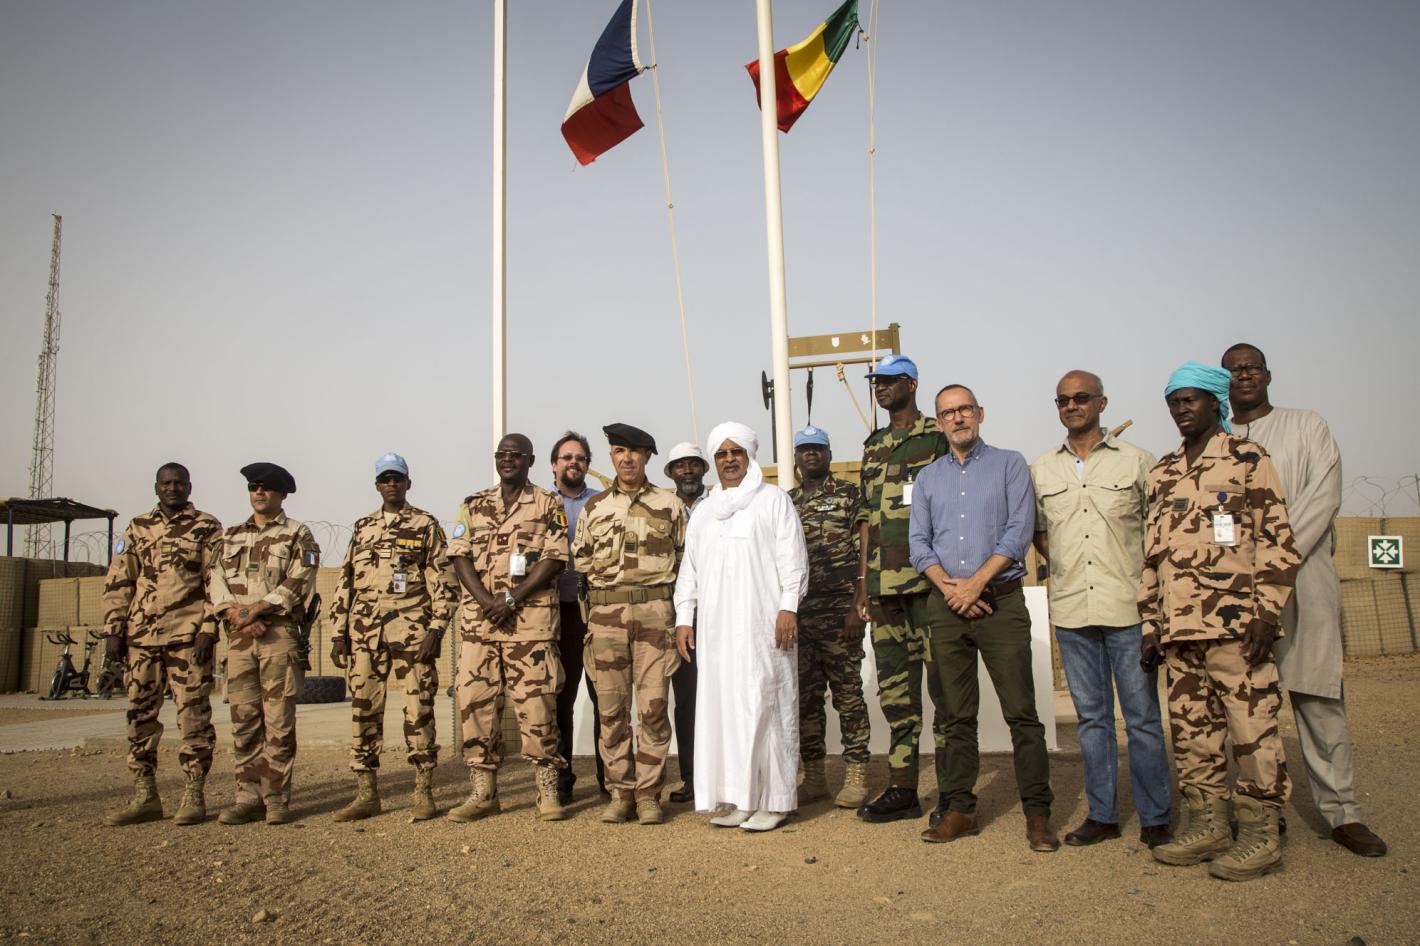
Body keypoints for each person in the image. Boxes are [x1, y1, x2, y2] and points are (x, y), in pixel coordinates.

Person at [1224, 342, 1386, 857]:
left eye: (1251, 367)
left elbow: (1324, 497)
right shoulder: (1218, 440)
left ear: (1267, 375)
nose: (1243, 375)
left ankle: (1343, 813)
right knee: (1250, 706)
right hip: (1239, 589)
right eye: (1233, 370)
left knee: (1317, 696)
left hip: (1304, 577)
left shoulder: (1306, 426)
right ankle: (1263, 809)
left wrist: (1275, 556)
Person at [1142, 361, 1300, 881]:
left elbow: (1277, 541)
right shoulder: (1163, 472)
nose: (1180, 409)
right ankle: (1208, 826)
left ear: (1215, 402)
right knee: (1193, 734)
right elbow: (1152, 557)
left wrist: (1267, 611)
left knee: (1252, 732)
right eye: (1173, 401)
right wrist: (1150, 624)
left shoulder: (1247, 459)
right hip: (1180, 632)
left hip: (1237, 628)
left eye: (1190, 399)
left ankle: (1260, 834)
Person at [910, 384, 1058, 851]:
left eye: (965, 410)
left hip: (1002, 603)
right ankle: (960, 809)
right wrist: (953, 589)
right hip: (947, 607)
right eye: (948, 413)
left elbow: (1018, 531)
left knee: (1022, 714)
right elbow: (919, 544)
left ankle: (1038, 814)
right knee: (955, 716)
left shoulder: (1010, 465)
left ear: (980, 413)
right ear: (939, 423)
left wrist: (976, 583)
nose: (958, 418)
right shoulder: (928, 479)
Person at [1030, 372, 1173, 848]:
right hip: (1073, 611)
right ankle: (1103, 815)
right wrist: (1070, 568)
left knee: (1142, 718)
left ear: (1101, 403)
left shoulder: (1138, 462)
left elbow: (1157, 535)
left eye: (1081, 398)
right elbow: (1041, 533)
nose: (1072, 406)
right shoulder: (1042, 469)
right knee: (1092, 719)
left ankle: (1155, 816)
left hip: (1127, 609)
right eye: (1063, 400)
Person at [674, 422, 808, 832]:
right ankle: (741, 798)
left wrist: (788, 608)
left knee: (768, 706)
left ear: (750, 455)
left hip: (764, 627)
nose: (729, 459)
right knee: (726, 711)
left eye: (736, 452)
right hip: (717, 633)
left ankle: (775, 800)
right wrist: (684, 617)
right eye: (722, 453)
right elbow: (689, 571)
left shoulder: (773, 500)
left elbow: (793, 560)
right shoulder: (705, 511)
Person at [445, 433, 570, 823]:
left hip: (530, 625)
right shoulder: (473, 504)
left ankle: (547, 791)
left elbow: (555, 558)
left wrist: (512, 599)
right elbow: (459, 555)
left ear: (530, 460)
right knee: (476, 704)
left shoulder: (549, 503)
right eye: (502, 454)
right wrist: (487, 601)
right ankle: (484, 793)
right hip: (479, 625)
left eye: (516, 454)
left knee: (537, 706)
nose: (508, 459)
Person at [328, 452, 456, 822]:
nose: (392, 484)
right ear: (377, 485)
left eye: (397, 478)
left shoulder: (425, 525)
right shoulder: (363, 527)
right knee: (363, 711)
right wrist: (338, 633)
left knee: (419, 710)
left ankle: (423, 790)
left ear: (408, 483)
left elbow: (443, 582)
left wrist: (436, 629)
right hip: (365, 632)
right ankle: (366, 792)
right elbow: (346, 582)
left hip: (412, 632)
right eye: (386, 479)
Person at [852, 354, 950, 824]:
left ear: (912, 384)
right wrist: (862, 585)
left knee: (946, 693)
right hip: (883, 590)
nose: (881, 388)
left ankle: (953, 792)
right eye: (876, 382)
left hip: (931, 587)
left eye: (890, 381)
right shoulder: (873, 447)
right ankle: (903, 788)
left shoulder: (938, 437)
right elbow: (865, 519)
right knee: (896, 696)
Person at [573, 423, 687, 826]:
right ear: (611, 456)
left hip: (656, 615)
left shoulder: (670, 505)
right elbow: (581, 560)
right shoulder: (595, 508)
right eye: (620, 451)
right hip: (606, 618)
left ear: (647, 457)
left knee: (654, 709)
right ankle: (621, 793)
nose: (627, 458)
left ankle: (649, 795)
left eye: (635, 452)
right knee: (612, 711)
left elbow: (685, 560)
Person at [101, 462, 223, 826]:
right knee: (140, 715)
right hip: (141, 638)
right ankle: (145, 794)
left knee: (193, 716)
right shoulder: (138, 527)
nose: (173, 488)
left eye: (179, 483)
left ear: (189, 487)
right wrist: (113, 630)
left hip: (187, 638)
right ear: (156, 487)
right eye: (166, 483)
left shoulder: (206, 527)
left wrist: (208, 628)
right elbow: (120, 580)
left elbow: (216, 581)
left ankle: (194, 793)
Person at [207, 462, 321, 826]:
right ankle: (247, 797)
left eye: (266, 487)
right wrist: (237, 614)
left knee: (278, 723)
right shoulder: (229, 536)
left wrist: (257, 610)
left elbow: (300, 579)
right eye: (253, 487)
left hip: (279, 637)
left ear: (282, 494)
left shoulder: (297, 534)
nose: (258, 492)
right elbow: (215, 581)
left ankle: (275, 798)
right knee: (244, 721)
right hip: (240, 640)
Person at [787, 425, 871, 808]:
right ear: (796, 457)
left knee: (848, 696)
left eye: (818, 449)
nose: (811, 454)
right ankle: (815, 776)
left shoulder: (849, 495)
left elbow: (865, 548)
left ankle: (857, 773)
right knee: (806, 701)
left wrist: (858, 602)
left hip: (840, 613)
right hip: (801, 615)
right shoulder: (786, 502)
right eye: (805, 449)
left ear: (829, 455)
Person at [550, 431, 606, 804]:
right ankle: (562, 778)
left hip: (598, 611)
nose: (574, 462)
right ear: (554, 464)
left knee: (606, 698)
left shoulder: (602, 503)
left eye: (581, 458)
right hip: (559, 613)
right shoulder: (540, 503)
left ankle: (610, 778)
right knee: (561, 699)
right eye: (567, 457)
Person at [663, 440, 708, 805]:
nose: (688, 470)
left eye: (694, 464)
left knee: (725, 697)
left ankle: (724, 777)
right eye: (680, 465)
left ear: (703, 469)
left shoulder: (721, 503)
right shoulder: (663, 509)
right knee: (688, 701)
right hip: (681, 619)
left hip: (722, 614)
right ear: (671, 473)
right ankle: (692, 778)